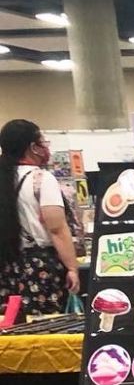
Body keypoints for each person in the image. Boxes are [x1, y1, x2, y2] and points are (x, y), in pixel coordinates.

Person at [0, 120, 80, 315]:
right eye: (43, 142)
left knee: (12, 325)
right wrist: (72, 268)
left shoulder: (4, 179)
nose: (46, 147)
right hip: (40, 267)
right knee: (47, 324)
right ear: (33, 147)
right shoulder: (41, 179)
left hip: (6, 266)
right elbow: (57, 229)